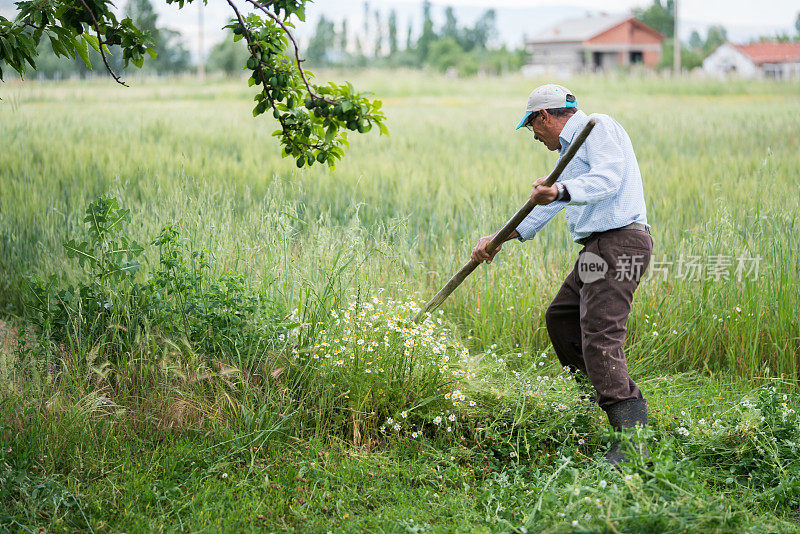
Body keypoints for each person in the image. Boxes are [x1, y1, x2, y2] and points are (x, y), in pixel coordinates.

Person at [471, 83, 653, 466]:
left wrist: (560, 191)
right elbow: (546, 204)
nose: (534, 136)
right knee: (563, 317)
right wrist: (500, 237)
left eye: (533, 126)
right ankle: (604, 399)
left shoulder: (597, 127)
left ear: (544, 116)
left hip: (619, 243)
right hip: (597, 248)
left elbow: (608, 180)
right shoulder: (571, 150)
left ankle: (632, 436)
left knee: (600, 335)